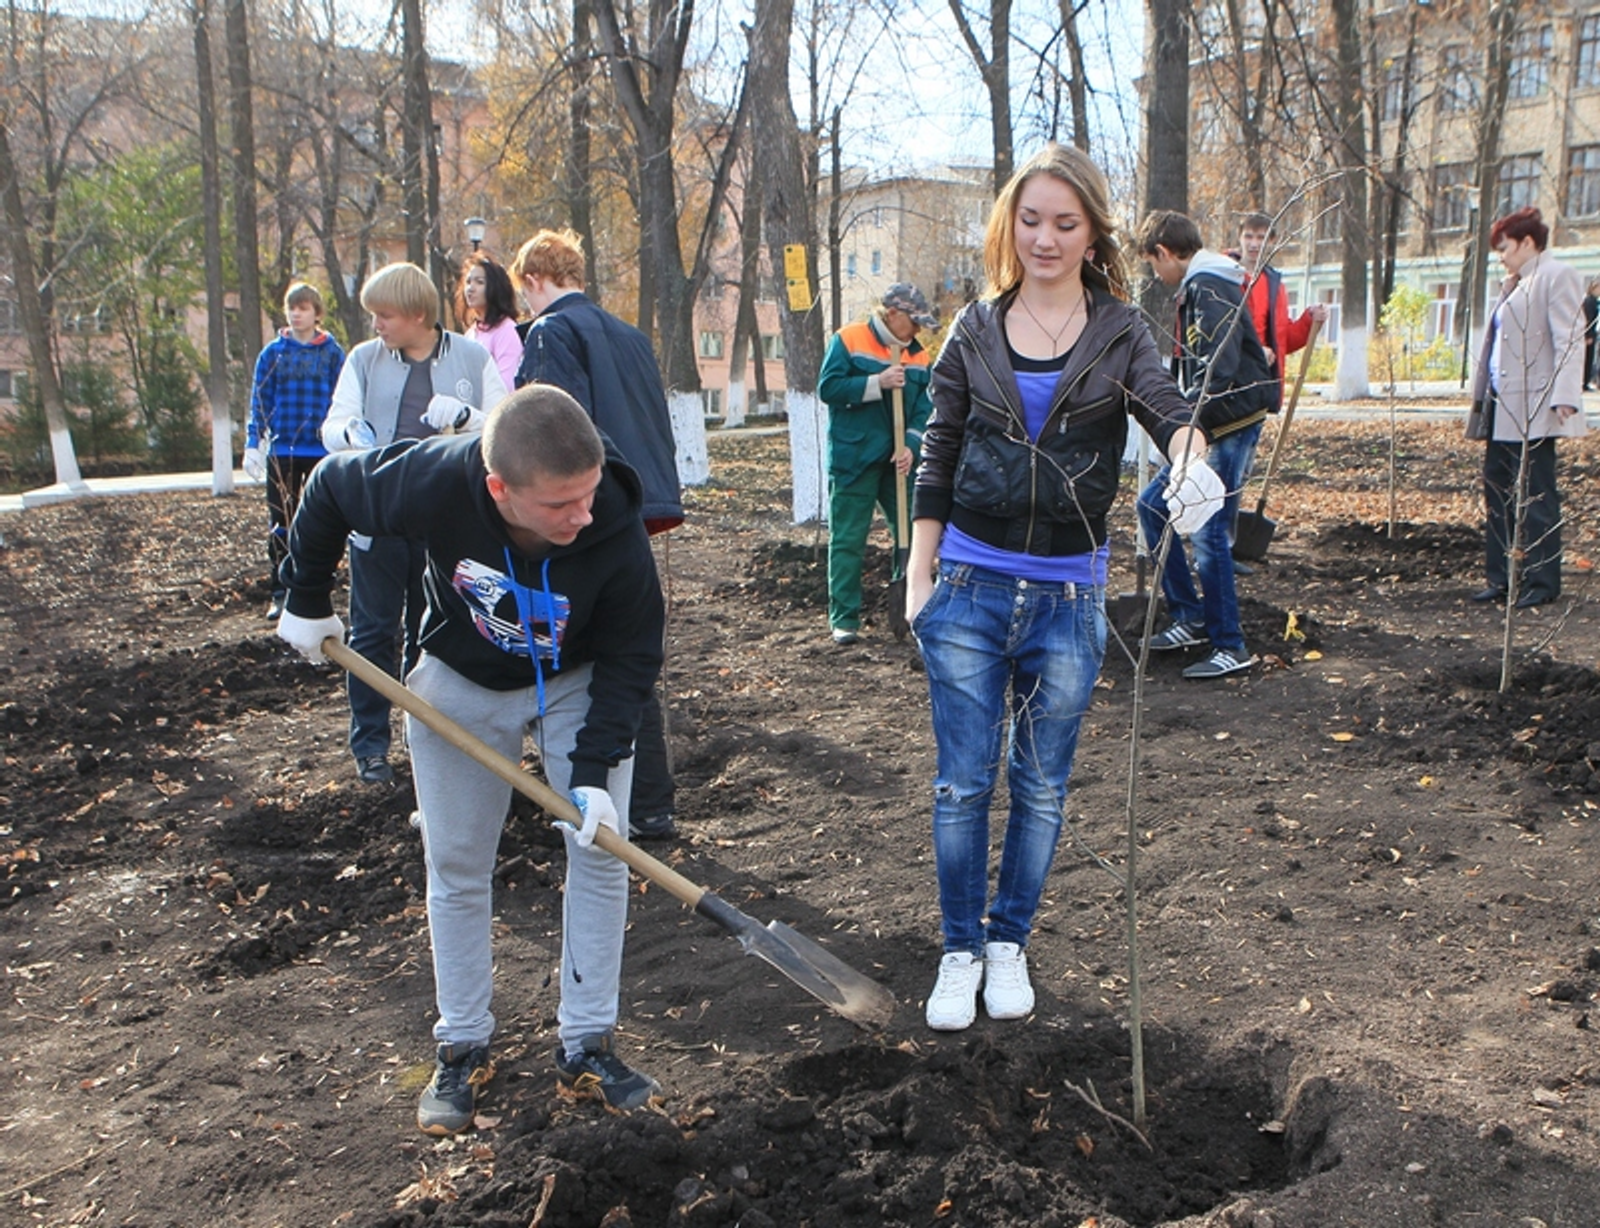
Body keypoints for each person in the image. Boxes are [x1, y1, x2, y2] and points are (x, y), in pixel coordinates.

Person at [277, 385, 665, 1135]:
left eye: (587, 496)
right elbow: (328, 487)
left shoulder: (612, 523)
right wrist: (305, 595)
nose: (582, 516)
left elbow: (632, 656)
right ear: (499, 489)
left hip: (579, 683)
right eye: (560, 505)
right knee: (455, 862)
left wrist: (592, 775)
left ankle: (587, 1041)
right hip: (457, 681)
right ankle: (462, 1044)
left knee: (601, 852)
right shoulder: (435, 478)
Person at [906, 144, 1218, 1032]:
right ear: (1011, 225)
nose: (1045, 238)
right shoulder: (972, 328)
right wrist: (920, 573)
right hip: (967, 583)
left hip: (1067, 596)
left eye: (1065, 223)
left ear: (1091, 234)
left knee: (1040, 788)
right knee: (963, 786)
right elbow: (939, 449)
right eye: (1031, 220)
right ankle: (958, 948)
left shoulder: (1119, 330)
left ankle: (1009, 941)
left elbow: (1167, 409)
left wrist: (1191, 460)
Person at [510, 228, 684, 841]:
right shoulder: (631, 335)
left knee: (595, 652)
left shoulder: (552, 334)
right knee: (630, 646)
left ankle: (592, 793)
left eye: (522, 292)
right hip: (639, 499)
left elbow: (551, 428)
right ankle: (654, 803)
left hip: (586, 509)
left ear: (533, 281)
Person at [320, 262, 508, 785]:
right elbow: (334, 423)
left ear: (418, 315)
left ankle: (429, 738)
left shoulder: (471, 357)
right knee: (373, 633)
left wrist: (468, 417)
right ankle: (371, 747)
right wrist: (349, 436)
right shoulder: (363, 360)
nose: (376, 325)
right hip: (377, 520)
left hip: (445, 522)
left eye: (385, 315)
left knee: (434, 635)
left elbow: (507, 423)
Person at [1134, 209, 1276, 679]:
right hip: (1215, 418)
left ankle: (1229, 644)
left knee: (1209, 532)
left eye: (1154, 264)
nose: (1157, 275)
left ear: (1164, 252)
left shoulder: (1206, 286)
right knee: (1155, 507)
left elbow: (1220, 362)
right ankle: (1190, 616)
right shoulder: (1204, 283)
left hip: (1229, 421)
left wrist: (1186, 423)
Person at [1467, 207, 1588, 609]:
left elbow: (1570, 338)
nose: (1501, 256)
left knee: (1537, 494)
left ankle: (1542, 581)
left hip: (1537, 404)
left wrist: (1566, 396)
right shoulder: (1515, 283)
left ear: (1528, 243)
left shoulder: (1557, 276)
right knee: (1497, 490)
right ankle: (1502, 577)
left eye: (1505, 248)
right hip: (1503, 405)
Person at [818, 283, 936, 644]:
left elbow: (924, 407)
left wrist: (913, 445)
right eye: (914, 322)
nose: (917, 331)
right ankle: (845, 620)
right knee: (849, 538)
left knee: (914, 536)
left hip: (898, 462)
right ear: (893, 314)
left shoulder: (919, 356)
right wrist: (876, 382)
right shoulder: (849, 340)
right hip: (855, 457)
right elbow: (829, 388)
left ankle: (912, 610)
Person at [1232, 212, 1328, 577]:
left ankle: (1227, 544)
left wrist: (1308, 321)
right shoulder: (1226, 278)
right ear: (1240, 239)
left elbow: (1282, 337)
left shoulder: (1274, 283)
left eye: (1262, 238)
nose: (1255, 244)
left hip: (1260, 390)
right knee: (1226, 470)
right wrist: (1253, 353)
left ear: (1272, 243)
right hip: (1231, 389)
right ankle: (1214, 547)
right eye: (1249, 237)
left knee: (1241, 470)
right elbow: (1222, 332)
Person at [243, 282, 344, 621]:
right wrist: (253, 442)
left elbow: (342, 399)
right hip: (283, 450)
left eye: (303, 308)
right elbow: (260, 399)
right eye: (291, 308)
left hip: (320, 451)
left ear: (317, 312)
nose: (296, 314)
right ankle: (281, 591)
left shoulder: (332, 353)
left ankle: (316, 589)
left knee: (318, 522)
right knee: (280, 523)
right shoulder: (274, 353)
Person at [456, 252, 524, 391]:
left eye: (479, 282)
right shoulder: (471, 333)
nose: (471, 288)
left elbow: (506, 385)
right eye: (468, 282)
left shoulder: (507, 330)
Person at [1582, 279, 1599, 392]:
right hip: (1589, 334)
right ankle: (1584, 382)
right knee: (1587, 358)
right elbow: (1588, 318)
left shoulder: (1593, 301)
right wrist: (1588, 334)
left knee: (1590, 358)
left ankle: (1586, 381)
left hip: (1592, 333)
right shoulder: (1589, 301)